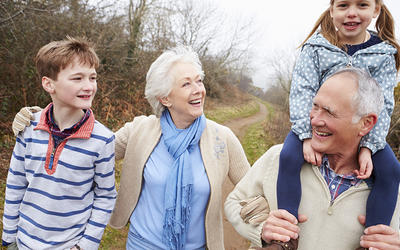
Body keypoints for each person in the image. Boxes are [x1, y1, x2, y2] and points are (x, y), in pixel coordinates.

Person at [11, 45, 250, 249]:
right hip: (141, 244)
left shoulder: (222, 138)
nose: (198, 89)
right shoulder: (140, 130)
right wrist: (39, 118)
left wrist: (265, 223)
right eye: (186, 84)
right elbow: (86, 147)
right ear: (164, 98)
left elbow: (253, 190)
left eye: (199, 81)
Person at [225, 67, 400, 250]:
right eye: (315, 106)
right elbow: (233, 202)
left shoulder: (390, 189)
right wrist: (262, 231)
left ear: (366, 123)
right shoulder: (278, 157)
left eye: (329, 112)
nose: (315, 120)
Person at [276, 0, 400, 247]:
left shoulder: (384, 54)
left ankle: (374, 240)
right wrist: (305, 135)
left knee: (391, 172)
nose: (351, 13)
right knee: (289, 157)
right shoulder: (316, 48)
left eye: (362, 5)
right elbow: (302, 91)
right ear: (332, 10)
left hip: (364, 133)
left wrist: (369, 146)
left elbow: (383, 104)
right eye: (343, 5)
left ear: (376, 10)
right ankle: (285, 233)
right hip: (313, 127)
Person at [2, 37, 117, 249]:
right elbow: (16, 182)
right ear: (49, 84)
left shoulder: (102, 139)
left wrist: (85, 246)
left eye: (92, 78)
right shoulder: (28, 126)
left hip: (68, 245)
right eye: (77, 78)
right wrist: (9, 236)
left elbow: (105, 195)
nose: (89, 86)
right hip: (24, 242)